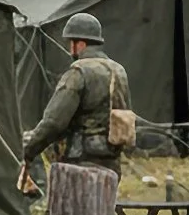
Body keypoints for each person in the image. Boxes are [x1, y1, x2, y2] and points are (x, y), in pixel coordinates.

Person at [19, 13, 132, 194]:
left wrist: (29, 149)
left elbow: (54, 122)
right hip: (112, 163)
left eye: (70, 42)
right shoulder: (119, 71)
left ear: (79, 43)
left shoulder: (78, 73)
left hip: (79, 165)